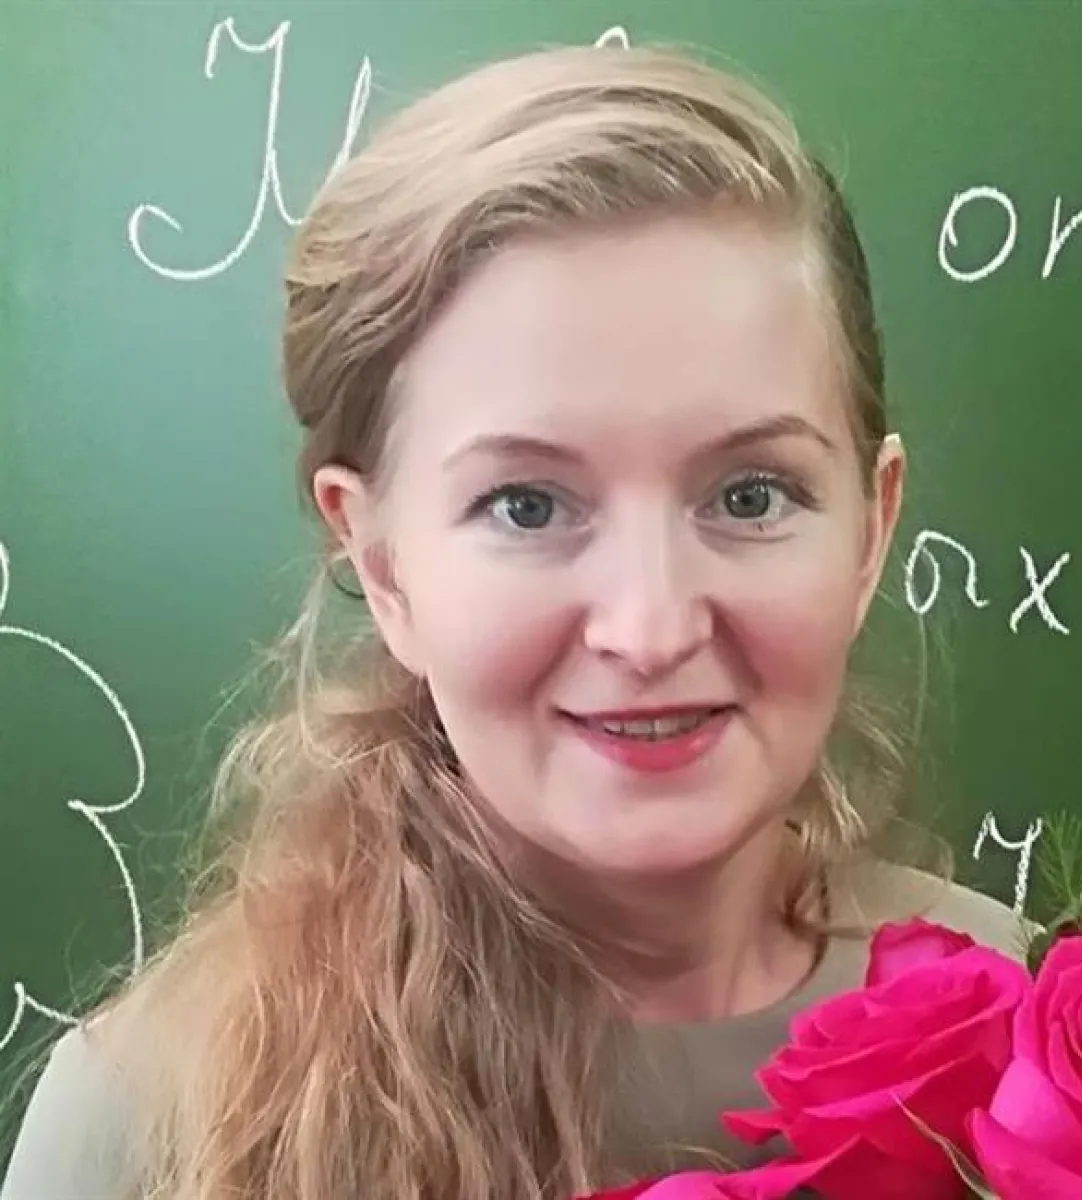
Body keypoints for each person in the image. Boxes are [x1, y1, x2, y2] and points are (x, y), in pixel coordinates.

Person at [0, 42, 1027, 1200]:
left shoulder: (1031, 1033)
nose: (650, 629)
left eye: (750, 496)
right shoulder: (156, 1124)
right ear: (382, 563)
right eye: (526, 506)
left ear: (871, 529)